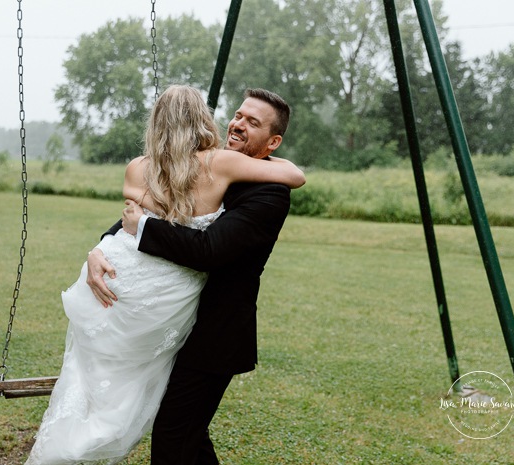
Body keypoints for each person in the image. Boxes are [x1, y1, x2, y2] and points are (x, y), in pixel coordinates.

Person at [25, 85, 304, 465]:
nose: (237, 125)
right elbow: (144, 217)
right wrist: (99, 249)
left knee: (175, 436)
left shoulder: (269, 192)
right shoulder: (204, 165)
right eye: (238, 115)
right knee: (186, 435)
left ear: (272, 143)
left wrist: (141, 228)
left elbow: (208, 251)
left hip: (212, 335)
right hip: (167, 320)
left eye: (252, 123)